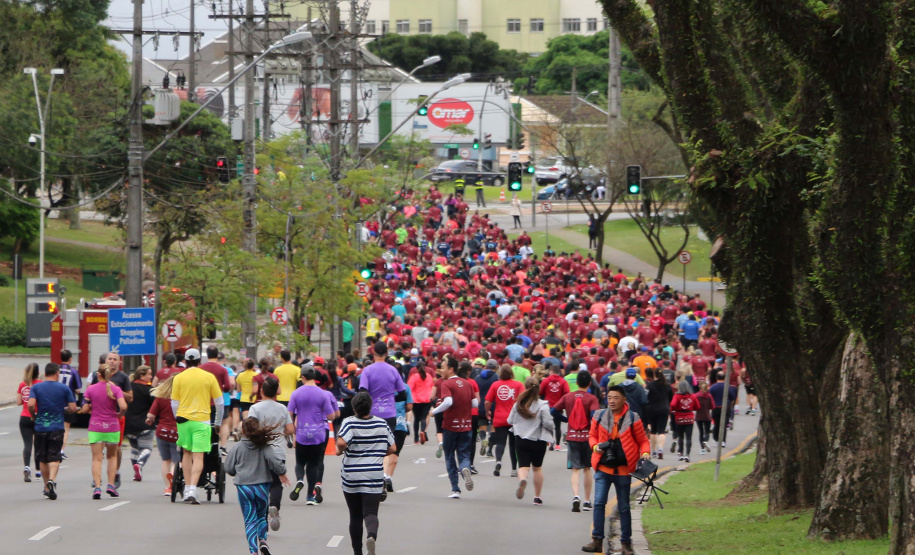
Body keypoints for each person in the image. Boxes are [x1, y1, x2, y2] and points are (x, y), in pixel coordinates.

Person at [581, 385, 651, 555]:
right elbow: (592, 435)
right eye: (609, 397)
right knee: (598, 503)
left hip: (623, 470)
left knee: (624, 507)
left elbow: (643, 440)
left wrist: (646, 453)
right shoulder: (599, 415)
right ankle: (596, 540)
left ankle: (626, 544)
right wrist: (595, 446)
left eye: (616, 398)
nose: (612, 401)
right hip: (603, 468)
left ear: (624, 399)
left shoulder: (633, 418)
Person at [336, 391, 396, 555]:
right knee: (370, 512)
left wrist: (339, 450)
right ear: (370, 407)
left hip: (351, 474)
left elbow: (341, 442)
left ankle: (358, 552)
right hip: (373, 474)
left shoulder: (349, 422)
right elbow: (393, 448)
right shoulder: (381, 424)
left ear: (354, 408)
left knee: (354, 515)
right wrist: (376, 453)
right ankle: (371, 536)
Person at [225, 417, 289, 555]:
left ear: (243, 430)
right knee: (261, 516)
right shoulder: (264, 446)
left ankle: (253, 550)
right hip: (261, 486)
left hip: (243, 487)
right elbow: (275, 462)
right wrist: (282, 471)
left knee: (249, 520)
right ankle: (263, 541)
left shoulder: (237, 448)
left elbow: (229, 468)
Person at [171, 348, 223, 504]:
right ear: (200, 361)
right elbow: (219, 402)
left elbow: (174, 403)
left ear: (185, 361)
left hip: (184, 421)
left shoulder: (179, 378)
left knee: (186, 453)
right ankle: (193, 488)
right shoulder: (208, 377)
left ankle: (187, 489)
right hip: (202, 420)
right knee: (198, 455)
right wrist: (218, 422)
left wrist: (177, 418)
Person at [358, 342, 407, 487]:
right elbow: (403, 394)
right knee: (384, 448)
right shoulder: (393, 371)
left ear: (373, 353)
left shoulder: (367, 370)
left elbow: (362, 393)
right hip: (389, 415)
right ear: (387, 353)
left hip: (371, 414)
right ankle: (383, 476)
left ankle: (371, 478)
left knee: (370, 447)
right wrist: (391, 398)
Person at [248, 377, 294, 531]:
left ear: (261, 391)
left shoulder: (256, 408)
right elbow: (290, 429)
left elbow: (250, 428)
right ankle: (274, 506)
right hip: (278, 451)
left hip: (260, 451)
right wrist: (280, 432)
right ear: (276, 393)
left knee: (260, 485)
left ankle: (262, 519)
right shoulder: (282, 408)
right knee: (275, 483)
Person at [27, 363, 77, 500]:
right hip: (57, 427)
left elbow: (30, 404)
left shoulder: (36, 387)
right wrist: (63, 409)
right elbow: (73, 408)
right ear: (57, 374)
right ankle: (52, 480)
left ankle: (45, 486)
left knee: (42, 458)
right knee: (54, 456)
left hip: (40, 427)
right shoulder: (64, 388)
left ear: (45, 373)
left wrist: (33, 415)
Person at [288, 365, 337, 505]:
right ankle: (310, 496)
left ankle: (299, 480)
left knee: (300, 462)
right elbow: (331, 416)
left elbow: (289, 413)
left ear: (303, 377)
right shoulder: (323, 394)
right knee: (314, 465)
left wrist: (292, 427)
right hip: (318, 434)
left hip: (302, 433)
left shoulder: (296, 393)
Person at [552, 371, 599, 512]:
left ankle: (576, 496)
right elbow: (594, 416)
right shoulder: (592, 399)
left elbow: (553, 411)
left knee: (575, 469)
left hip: (572, 436)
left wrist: (566, 420)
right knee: (587, 469)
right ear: (589, 383)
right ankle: (587, 500)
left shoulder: (568, 397)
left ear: (577, 383)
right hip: (587, 437)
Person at [430, 356, 476, 498]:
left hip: (450, 426)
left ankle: (455, 488)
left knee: (449, 455)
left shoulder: (446, 384)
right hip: (466, 425)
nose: (441, 370)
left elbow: (448, 401)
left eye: (443, 367)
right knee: (464, 454)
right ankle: (465, 468)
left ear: (451, 369)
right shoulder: (467, 384)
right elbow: (474, 404)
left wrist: (435, 411)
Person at [80, 365, 128, 498]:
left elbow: (83, 409)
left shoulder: (91, 389)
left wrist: (90, 407)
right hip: (112, 426)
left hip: (96, 426)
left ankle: (97, 487)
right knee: (112, 457)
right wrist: (119, 414)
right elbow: (123, 406)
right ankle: (111, 485)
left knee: (97, 458)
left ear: (98, 375)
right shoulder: (116, 389)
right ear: (110, 375)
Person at [507, 377, 554, 505]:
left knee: (523, 466)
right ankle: (537, 497)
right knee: (537, 468)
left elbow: (509, 421)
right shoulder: (543, 405)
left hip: (521, 439)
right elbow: (548, 423)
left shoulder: (518, 404)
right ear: (538, 389)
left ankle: (522, 479)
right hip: (538, 440)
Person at [485, 364, 523, 477]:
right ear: (511, 373)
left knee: (500, 442)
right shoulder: (518, 385)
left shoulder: (496, 385)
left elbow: (487, 401)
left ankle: (498, 461)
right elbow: (523, 399)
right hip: (514, 419)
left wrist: (488, 411)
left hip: (499, 417)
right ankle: (513, 469)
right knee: (513, 444)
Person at [146, 376, 180, 496]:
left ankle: (167, 488)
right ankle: (173, 472)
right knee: (177, 459)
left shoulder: (160, 397)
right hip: (178, 432)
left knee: (166, 460)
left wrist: (150, 420)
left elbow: (150, 415)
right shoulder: (182, 397)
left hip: (162, 432)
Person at [125, 365, 155, 482]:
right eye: (149, 374)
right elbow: (154, 408)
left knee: (135, 449)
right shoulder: (150, 391)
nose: (151, 376)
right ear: (142, 376)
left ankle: (137, 472)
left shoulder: (129, 388)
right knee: (146, 448)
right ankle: (140, 465)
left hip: (130, 424)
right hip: (145, 424)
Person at [17, 363, 41, 482]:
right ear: (38, 372)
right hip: (37, 416)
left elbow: (18, 402)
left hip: (24, 417)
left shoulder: (22, 384)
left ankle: (26, 467)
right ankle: (38, 470)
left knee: (27, 444)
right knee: (38, 444)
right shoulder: (40, 384)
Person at [643, 368, 672, 460]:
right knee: (661, 431)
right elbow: (671, 397)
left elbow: (645, 396)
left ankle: (654, 451)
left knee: (653, 430)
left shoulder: (650, 385)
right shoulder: (667, 385)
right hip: (664, 409)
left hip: (652, 409)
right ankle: (661, 449)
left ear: (654, 375)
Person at [539, 364, 569, 450]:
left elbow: (540, 391)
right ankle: (558, 445)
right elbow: (567, 392)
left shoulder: (546, 381)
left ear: (551, 371)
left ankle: (551, 442)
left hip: (548, 406)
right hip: (558, 406)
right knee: (557, 426)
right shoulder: (563, 381)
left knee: (548, 425)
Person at [57, 350, 81, 458]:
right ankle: (61, 450)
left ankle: (54, 447)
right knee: (66, 428)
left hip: (56, 401)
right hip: (68, 402)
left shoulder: (56, 369)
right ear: (70, 359)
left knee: (56, 425)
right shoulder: (73, 371)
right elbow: (78, 389)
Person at [669, 380, 699, 461]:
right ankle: (687, 455)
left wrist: (675, 409)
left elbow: (672, 405)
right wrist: (691, 408)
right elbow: (698, 406)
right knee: (688, 438)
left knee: (680, 437)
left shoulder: (677, 396)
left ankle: (681, 454)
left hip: (679, 418)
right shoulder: (692, 396)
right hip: (689, 418)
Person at [709, 370, 738, 448]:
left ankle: (716, 439)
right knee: (724, 424)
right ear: (724, 378)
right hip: (725, 407)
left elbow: (709, 397)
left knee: (716, 423)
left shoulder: (713, 387)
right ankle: (722, 441)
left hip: (715, 408)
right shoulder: (728, 387)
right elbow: (733, 397)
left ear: (716, 378)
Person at [406, 362, 433, 444]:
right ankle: (422, 431)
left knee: (416, 419)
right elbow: (431, 386)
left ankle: (416, 439)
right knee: (424, 417)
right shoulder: (428, 376)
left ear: (416, 368)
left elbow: (409, 388)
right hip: (427, 400)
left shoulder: (414, 377)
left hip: (416, 400)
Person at [695, 381, 714, 454]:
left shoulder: (696, 396)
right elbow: (712, 406)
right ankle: (705, 441)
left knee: (701, 432)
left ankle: (702, 449)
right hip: (707, 415)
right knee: (707, 431)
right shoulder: (709, 396)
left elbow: (694, 406)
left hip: (699, 416)